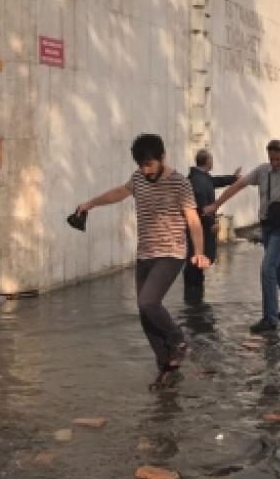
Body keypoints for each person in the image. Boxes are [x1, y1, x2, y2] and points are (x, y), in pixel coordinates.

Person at [74, 134, 209, 388]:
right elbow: (119, 192)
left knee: (149, 302)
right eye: (141, 165)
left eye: (149, 164)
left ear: (162, 158)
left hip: (171, 253)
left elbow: (193, 220)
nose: (145, 170)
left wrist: (199, 251)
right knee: (145, 313)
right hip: (145, 253)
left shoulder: (180, 183)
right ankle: (166, 367)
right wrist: (91, 203)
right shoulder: (138, 178)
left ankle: (178, 338)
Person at [206, 139, 280, 333]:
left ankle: (270, 318)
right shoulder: (263, 170)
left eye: (278, 159)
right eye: (272, 159)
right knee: (278, 268)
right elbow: (238, 186)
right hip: (267, 223)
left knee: (267, 268)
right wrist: (216, 205)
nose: (275, 163)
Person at [184, 150, 238, 299]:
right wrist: (211, 222)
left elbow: (215, 181)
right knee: (197, 257)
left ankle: (194, 292)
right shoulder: (200, 181)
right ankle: (193, 294)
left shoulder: (200, 177)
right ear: (207, 161)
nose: (212, 162)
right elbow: (202, 205)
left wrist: (233, 178)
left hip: (199, 225)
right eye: (211, 159)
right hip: (201, 226)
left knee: (196, 258)